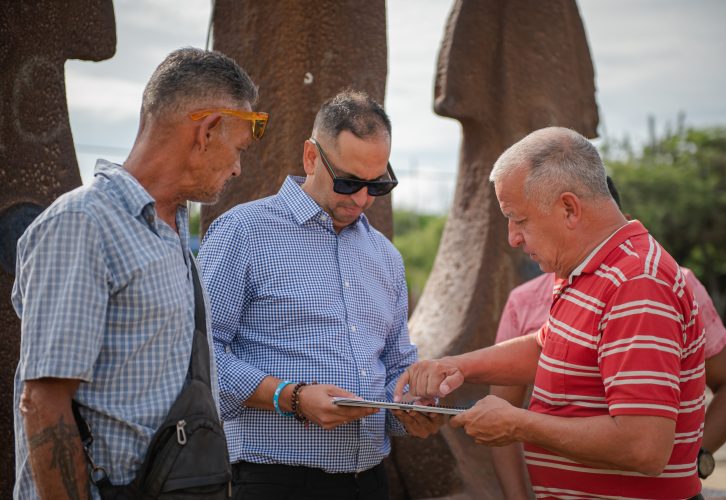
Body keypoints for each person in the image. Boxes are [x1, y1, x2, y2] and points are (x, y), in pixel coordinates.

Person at [395, 126, 707, 499]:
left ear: (569, 208)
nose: (512, 237)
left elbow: (644, 446)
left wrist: (520, 425)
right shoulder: (584, 269)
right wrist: (457, 367)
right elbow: (548, 349)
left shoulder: (636, 281)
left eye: (519, 219)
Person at [12, 47, 266, 499]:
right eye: (238, 149)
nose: (237, 168)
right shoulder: (83, 224)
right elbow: (44, 405)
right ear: (206, 131)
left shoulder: (170, 231)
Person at [197, 89, 443, 500]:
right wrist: (289, 397)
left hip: (370, 480)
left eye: (377, 185)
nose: (363, 198)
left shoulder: (386, 256)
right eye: (348, 182)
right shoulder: (242, 232)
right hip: (275, 481)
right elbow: (200, 354)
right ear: (311, 157)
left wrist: (413, 408)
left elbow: (397, 364)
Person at [489, 180, 726, 499]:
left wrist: (695, 458)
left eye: (521, 221)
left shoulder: (654, 283)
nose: (514, 238)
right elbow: (506, 403)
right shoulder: (529, 300)